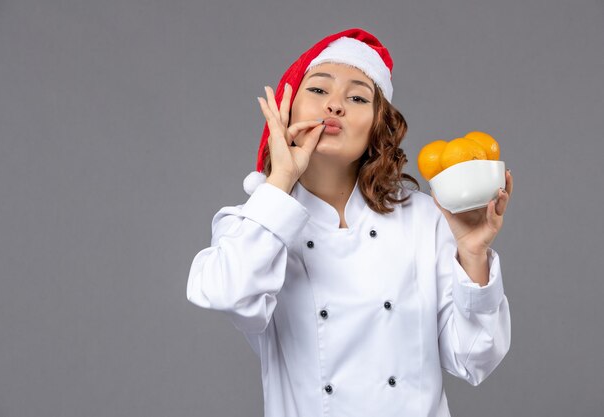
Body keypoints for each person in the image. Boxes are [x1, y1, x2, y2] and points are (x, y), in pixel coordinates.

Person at [187, 27, 514, 417]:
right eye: (319, 90)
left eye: (357, 96)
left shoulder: (423, 217)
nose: (335, 105)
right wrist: (279, 182)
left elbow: (473, 358)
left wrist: (473, 254)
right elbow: (227, 293)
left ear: (379, 125)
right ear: (288, 108)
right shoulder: (257, 222)